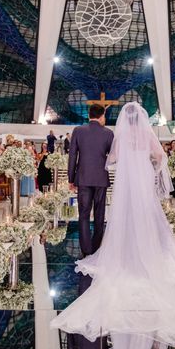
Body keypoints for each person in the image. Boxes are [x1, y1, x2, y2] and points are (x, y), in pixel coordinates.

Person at [51, 103, 175, 349]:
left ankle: (125, 256)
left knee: (124, 221)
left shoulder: (119, 136)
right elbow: (160, 155)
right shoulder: (146, 135)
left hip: (128, 186)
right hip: (143, 185)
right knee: (147, 221)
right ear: (140, 118)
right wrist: (151, 167)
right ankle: (146, 256)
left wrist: (121, 158)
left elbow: (112, 160)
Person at [67, 104, 115, 256]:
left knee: (84, 214)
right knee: (100, 214)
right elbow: (113, 157)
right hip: (101, 178)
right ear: (102, 116)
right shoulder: (108, 133)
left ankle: (86, 250)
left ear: (89, 115)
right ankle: (96, 248)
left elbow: (73, 155)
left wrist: (71, 178)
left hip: (83, 178)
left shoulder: (78, 131)